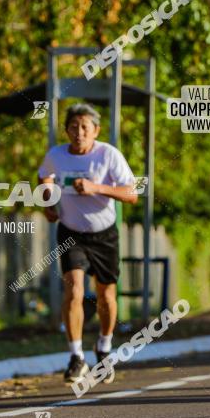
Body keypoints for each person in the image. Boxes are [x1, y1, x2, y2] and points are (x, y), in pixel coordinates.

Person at [38, 103, 137, 384]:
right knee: (75, 291)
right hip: (71, 232)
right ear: (66, 130)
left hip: (104, 234)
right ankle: (76, 357)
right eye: (73, 127)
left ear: (96, 130)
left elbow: (131, 194)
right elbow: (44, 175)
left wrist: (96, 188)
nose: (79, 133)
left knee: (106, 295)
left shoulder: (108, 155)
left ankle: (104, 348)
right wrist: (47, 201)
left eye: (85, 127)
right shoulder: (56, 155)